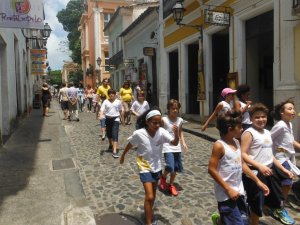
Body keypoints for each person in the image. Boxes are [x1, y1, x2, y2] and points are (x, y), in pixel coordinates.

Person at [120, 108, 180, 225]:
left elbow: (174, 143)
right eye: (154, 123)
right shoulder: (139, 133)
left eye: (159, 123)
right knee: (150, 195)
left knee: (152, 195)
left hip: (157, 167)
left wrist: (177, 134)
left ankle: (149, 212)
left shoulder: (162, 132)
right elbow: (130, 144)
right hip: (144, 166)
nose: (157, 125)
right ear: (147, 122)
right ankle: (148, 222)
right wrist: (123, 155)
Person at [208, 111, 269, 225]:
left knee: (244, 220)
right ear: (230, 129)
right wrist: (228, 189)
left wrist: (257, 181)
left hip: (239, 192)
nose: (242, 129)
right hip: (226, 195)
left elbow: (242, 164)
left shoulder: (237, 142)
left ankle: (220, 221)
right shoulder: (219, 146)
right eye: (240, 126)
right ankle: (220, 220)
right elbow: (211, 169)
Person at [241, 103, 295, 225]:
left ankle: (269, 211)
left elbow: (270, 154)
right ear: (251, 119)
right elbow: (243, 154)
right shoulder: (249, 133)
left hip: (269, 170)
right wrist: (259, 166)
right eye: (257, 117)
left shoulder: (267, 132)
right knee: (257, 202)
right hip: (255, 171)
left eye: (263, 116)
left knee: (274, 196)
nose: (261, 120)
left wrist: (283, 169)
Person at [270, 99, 300, 202]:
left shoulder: (289, 124)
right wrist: (277, 150)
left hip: (288, 157)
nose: (293, 111)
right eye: (290, 109)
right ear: (282, 112)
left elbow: (291, 141)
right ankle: (280, 205)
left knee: (286, 182)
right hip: (280, 158)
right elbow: (268, 138)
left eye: (293, 109)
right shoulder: (280, 125)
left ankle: (279, 202)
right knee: (287, 182)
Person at [160, 99, 188, 196]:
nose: (175, 110)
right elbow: (159, 131)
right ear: (169, 109)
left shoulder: (180, 120)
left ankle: (171, 184)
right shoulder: (164, 120)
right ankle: (163, 177)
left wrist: (183, 142)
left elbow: (180, 132)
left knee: (175, 168)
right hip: (167, 146)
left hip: (177, 147)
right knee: (170, 166)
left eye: (177, 108)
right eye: (173, 108)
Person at [98, 89, 124, 158]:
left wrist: (123, 120)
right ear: (108, 94)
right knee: (109, 134)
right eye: (110, 93)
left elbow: (121, 111)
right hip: (108, 119)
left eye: (113, 93)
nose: (111, 95)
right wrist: (100, 116)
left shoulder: (118, 102)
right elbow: (102, 109)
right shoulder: (105, 101)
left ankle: (114, 151)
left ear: (115, 94)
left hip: (116, 119)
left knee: (115, 134)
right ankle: (110, 144)